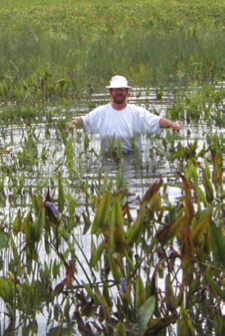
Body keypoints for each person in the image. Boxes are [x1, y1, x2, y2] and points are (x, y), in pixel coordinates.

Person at [68, 75, 181, 154]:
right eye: (116, 89)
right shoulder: (101, 112)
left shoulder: (136, 112)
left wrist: (171, 123)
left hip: (130, 157)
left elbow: (156, 121)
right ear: (111, 92)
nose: (119, 92)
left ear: (127, 92)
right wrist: (73, 122)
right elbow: (85, 121)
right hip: (108, 157)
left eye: (122, 89)